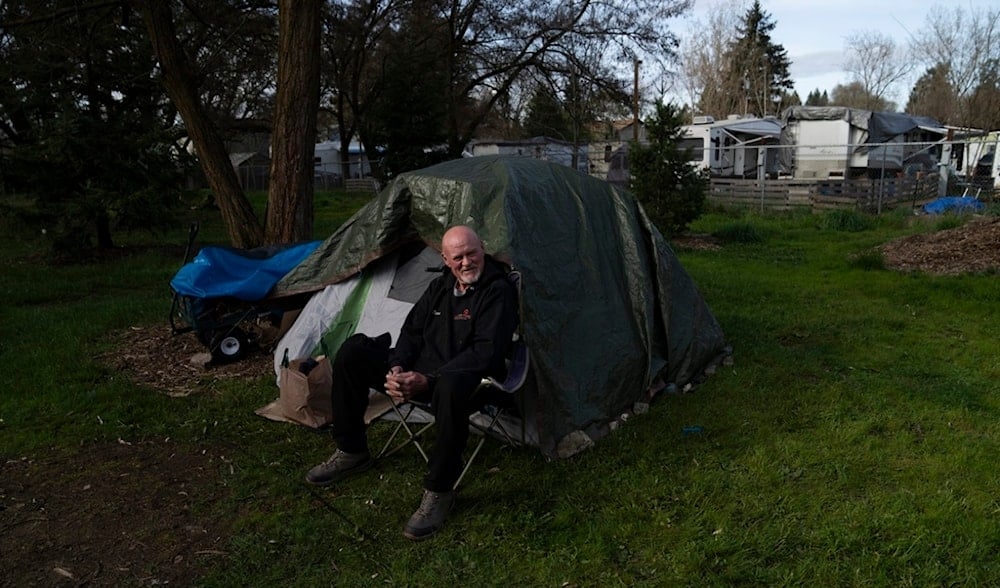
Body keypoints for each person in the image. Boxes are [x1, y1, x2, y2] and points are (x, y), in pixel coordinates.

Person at [305, 225, 519, 540]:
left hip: (465, 381)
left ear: (482, 249)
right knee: (353, 352)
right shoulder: (440, 287)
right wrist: (397, 368)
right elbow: (411, 332)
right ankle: (351, 451)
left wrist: (427, 379)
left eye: (472, 253)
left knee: (449, 387)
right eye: (457, 257)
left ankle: (440, 490)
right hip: (417, 374)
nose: (466, 262)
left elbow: (486, 352)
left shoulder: (496, 291)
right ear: (445, 260)